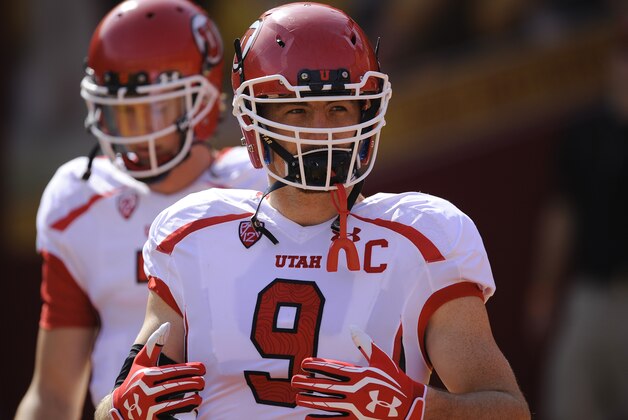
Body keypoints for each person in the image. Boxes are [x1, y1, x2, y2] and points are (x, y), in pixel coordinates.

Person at [95, 2, 531, 419]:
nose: (322, 130)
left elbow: (508, 409)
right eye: (299, 110)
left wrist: (418, 408)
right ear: (255, 121)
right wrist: (120, 409)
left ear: (367, 110)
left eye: (338, 107)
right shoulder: (192, 234)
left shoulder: (423, 238)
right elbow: (116, 404)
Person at [14, 0, 266, 418]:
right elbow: (54, 393)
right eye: (125, 114)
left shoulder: (260, 184)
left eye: (156, 107)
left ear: (201, 101)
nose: (139, 133)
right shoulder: (81, 198)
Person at [524, 10, 628, 420]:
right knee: (571, 401)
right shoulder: (585, 132)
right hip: (592, 295)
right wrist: (543, 289)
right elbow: (561, 214)